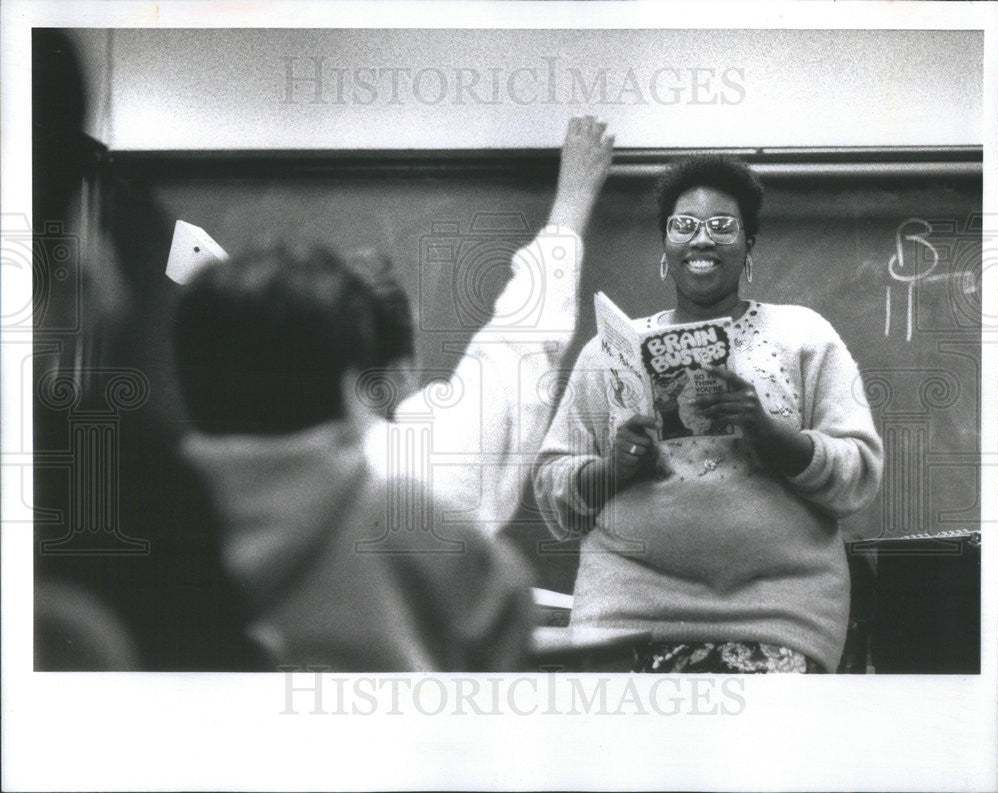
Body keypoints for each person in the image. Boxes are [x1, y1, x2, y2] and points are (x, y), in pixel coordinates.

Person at [173, 117, 614, 670]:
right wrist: (573, 200)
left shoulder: (158, 511)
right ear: (375, 378)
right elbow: (520, 345)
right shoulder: (412, 489)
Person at [532, 154, 884, 674]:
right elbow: (553, 489)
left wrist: (768, 433)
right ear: (666, 248)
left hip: (774, 618)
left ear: (748, 248)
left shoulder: (804, 335)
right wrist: (615, 468)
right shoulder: (611, 351)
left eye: (722, 227)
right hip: (624, 615)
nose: (702, 239)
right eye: (684, 226)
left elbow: (858, 475)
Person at [361, 116, 614, 534]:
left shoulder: (240, 479)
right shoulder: (427, 460)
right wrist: (571, 202)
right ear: (402, 374)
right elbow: (520, 342)